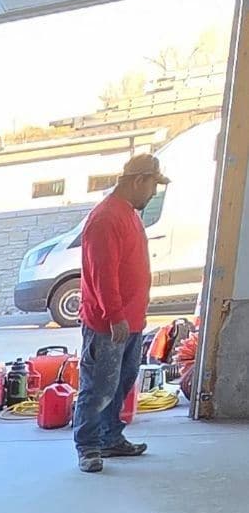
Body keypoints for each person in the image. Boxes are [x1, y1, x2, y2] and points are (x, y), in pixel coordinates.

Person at [73, 151, 168, 473]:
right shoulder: (106, 218)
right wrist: (114, 316)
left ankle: (110, 438)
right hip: (109, 324)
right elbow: (102, 273)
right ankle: (88, 446)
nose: (154, 192)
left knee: (121, 383)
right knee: (98, 386)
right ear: (139, 180)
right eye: (153, 185)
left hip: (130, 321)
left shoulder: (127, 213)